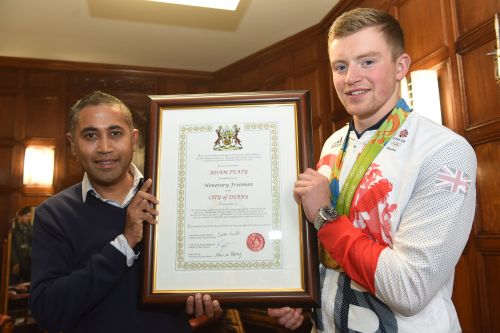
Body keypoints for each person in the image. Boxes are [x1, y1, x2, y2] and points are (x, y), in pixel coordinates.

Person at [268, 7, 476, 333]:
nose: (351, 77)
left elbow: (410, 289)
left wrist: (325, 217)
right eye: (340, 66)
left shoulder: (445, 151)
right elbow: (326, 255)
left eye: (368, 61)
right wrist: (301, 296)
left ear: (400, 66)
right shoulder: (333, 144)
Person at [29, 91, 222, 333]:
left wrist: (205, 301)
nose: (105, 147)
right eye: (90, 135)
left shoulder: (175, 198)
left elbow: (196, 286)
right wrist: (125, 243)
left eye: (115, 133)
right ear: (73, 145)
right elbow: (49, 311)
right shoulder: (54, 214)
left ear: (133, 139)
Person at [10, 206, 34, 285]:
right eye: (27, 216)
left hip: (28, 262)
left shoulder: (30, 228)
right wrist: (16, 262)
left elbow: (33, 243)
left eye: (29, 216)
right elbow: (12, 248)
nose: (29, 218)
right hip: (17, 262)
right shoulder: (13, 229)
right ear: (20, 216)